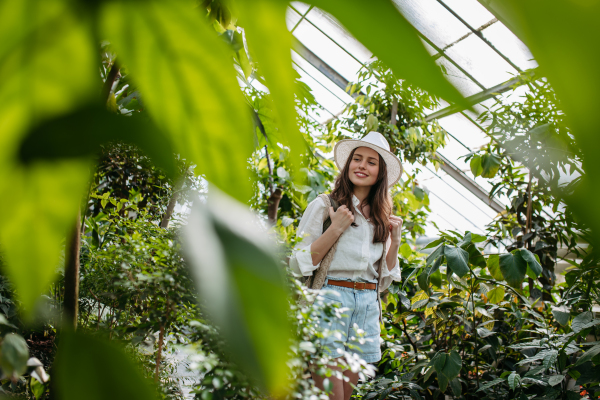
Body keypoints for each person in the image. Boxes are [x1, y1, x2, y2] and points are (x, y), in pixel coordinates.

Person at [289, 131, 404, 400]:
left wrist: (395, 242)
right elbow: (297, 265)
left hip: (366, 306)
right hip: (330, 300)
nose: (362, 166)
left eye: (371, 162)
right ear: (348, 164)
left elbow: (383, 280)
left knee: (346, 396)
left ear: (381, 172)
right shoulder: (324, 205)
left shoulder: (381, 217)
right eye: (357, 159)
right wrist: (336, 228)